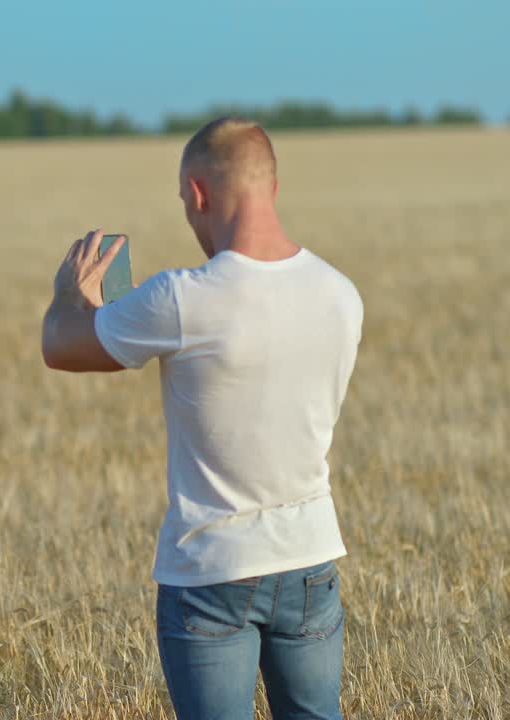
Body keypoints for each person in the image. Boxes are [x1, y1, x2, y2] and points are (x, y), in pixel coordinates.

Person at [41, 117, 363, 719]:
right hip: (310, 557)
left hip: (212, 570)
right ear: (272, 185)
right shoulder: (341, 293)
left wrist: (69, 294)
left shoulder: (180, 297)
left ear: (197, 193)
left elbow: (60, 346)